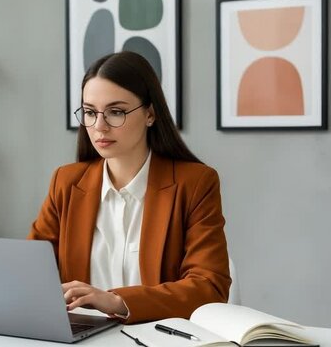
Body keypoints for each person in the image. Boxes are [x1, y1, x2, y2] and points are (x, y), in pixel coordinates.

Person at [28, 51, 231, 324]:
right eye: (90, 112)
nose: (99, 126)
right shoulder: (66, 182)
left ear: (149, 114)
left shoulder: (194, 183)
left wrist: (118, 301)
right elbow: (30, 272)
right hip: (80, 338)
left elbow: (210, 287)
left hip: (157, 339)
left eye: (116, 112)